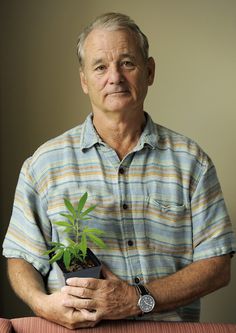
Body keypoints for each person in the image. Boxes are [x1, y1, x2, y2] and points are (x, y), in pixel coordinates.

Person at [2, 12, 236, 329]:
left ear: (149, 71)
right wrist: (42, 304)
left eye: (127, 63)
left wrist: (138, 298)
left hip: (167, 327)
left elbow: (218, 265)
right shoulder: (44, 163)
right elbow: (21, 258)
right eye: (100, 67)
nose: (115, 77)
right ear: (84, 80)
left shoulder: (191, 161)